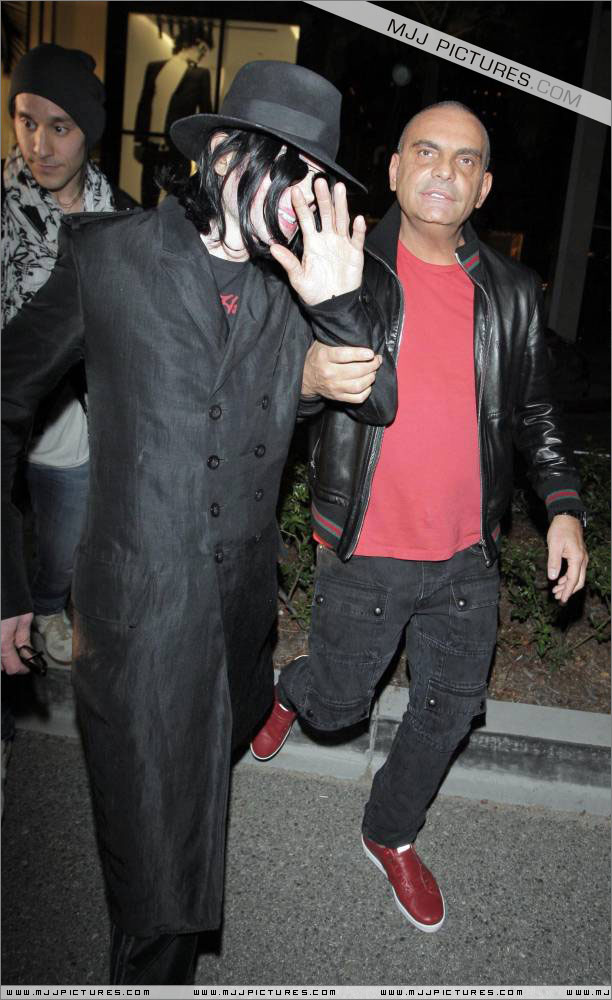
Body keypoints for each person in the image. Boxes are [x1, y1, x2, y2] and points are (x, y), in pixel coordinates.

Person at [1, 60, 395, 983]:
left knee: (190, 812)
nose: (304, 203)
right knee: (159, 892)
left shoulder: (300, 282)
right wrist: (6, 582)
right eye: (289, 172)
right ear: (222, 155)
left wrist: (336, 308)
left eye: (318, 183)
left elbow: (377, 402)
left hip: (236, 619)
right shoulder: (108, 256)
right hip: (136, 619)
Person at [251, 101, 589, 933]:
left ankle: (390, 830)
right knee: (338, 707)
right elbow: (261, 391)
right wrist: (305, 380)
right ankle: (295, 691)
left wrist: (562, 508)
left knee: (451, 709)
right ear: (396, 169)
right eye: (427, 152)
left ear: (484, 187)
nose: (446, 170)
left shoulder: (512, 292)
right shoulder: (342, 266)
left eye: (466, 160)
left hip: (468, 553)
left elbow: (536, 414)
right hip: (365, 545)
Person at [1, 44, 138, 813]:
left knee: (58, 543)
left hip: (68, 422)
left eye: (60, 126)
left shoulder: (120, 218)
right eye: (26, 121)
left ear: (89, 131)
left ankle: (48, 606)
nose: (39, 144)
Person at [134, 20, 213, 207]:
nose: (202, 54)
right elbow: (144, 105)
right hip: (151, 148)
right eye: (201, 48)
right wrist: (138, 140)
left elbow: (206, 112)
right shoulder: (154, 68)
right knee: (148, 200)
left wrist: (200, 149)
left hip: (177, 149)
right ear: (190, 43)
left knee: (175, 202)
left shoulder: (200, 75)